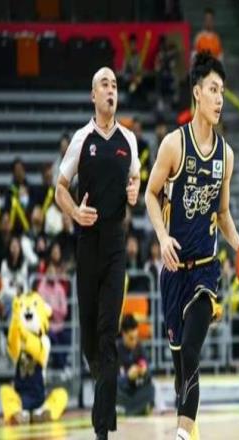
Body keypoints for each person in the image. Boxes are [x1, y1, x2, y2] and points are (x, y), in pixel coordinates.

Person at [145, 52, 239, 440]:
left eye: (223, 92)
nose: (219, 99)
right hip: (173, 273)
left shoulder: (225, 156)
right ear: (197, 93)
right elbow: (150, 195)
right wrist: (161, 236)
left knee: (191, 351)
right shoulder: (174, 145)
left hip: (205, 270)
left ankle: (182, 436)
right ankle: (190, 431)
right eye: (213, 90)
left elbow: (223, 213)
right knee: (180, 372)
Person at [55, 66, 140, 440]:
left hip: (115, 245)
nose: (111, 90)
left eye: (115, 85)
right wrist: (75, 212)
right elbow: (60, 187)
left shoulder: (129, 139)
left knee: (107, 334)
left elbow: (136, 178)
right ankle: (105, 397)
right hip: (87, 245)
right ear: (93, 95)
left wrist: (135, 190)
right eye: (105, 84)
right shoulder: (82, 138)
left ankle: (101, 429)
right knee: (90, 341)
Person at [116, 314, 155, 416]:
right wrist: (128, 377)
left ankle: (126, 409)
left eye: (136, 338)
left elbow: (149, 375)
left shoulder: (139, 348)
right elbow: (111, 379)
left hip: (136, 390)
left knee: (150, 388)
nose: (134, 342)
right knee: (112, 390)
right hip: (122, 391)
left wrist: (144, 372)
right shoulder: (116, 350)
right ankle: (138, 409)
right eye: (131, 338)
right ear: (123, 334)